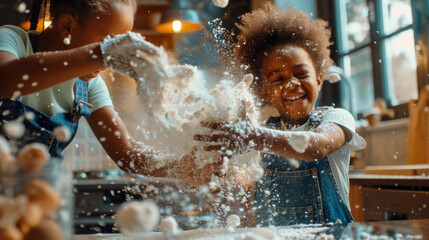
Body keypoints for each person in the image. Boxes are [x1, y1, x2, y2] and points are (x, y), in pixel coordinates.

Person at [0, 0, 222, 186]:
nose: (109, 60)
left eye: (116, 47)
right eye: (108, 42)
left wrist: (182, 167)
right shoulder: (12, 40)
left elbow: (127, 151)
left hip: (38, 200)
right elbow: (6, 79)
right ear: (67, 25)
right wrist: (103, 52)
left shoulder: (88, 85)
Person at [195, 2, 366, 226]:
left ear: (319, 79)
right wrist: (225, 172)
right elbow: (244, 183)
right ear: (265, 91)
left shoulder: (336, 119)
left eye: (301, 74)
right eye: (278, 79)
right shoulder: (265, 128)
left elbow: (316, 146)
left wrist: (251, 136)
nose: (292, 84)